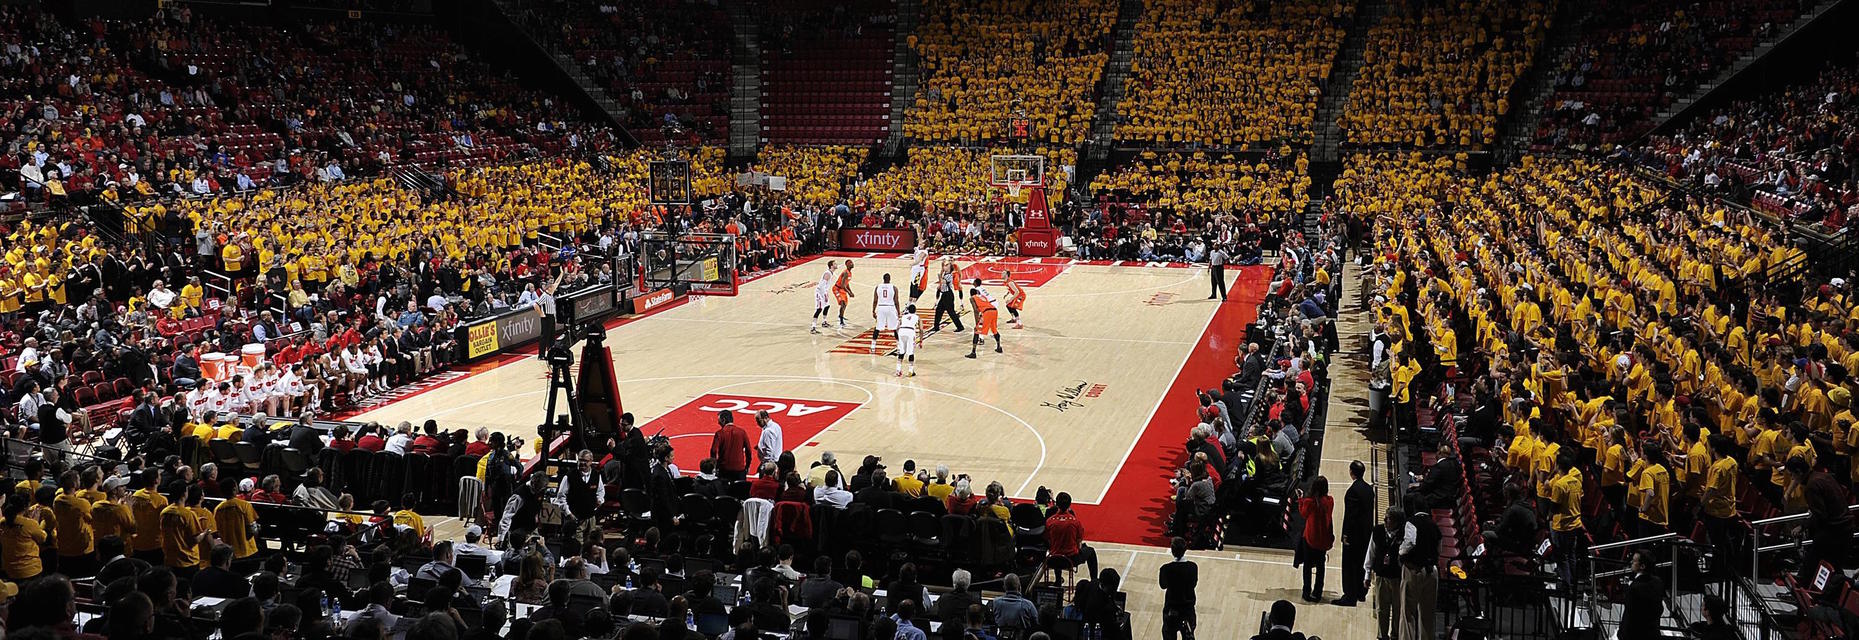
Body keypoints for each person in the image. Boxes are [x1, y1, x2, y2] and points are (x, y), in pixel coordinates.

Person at [1791, 456, 1852, 584]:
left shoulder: (1811, 486)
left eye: (1792, 474)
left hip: (1834, 529)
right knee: (1833, 565)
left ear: (1799, 472)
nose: (1792, 479)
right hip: (1846, 527)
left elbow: (1820, 515)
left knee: (1812, 560)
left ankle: (1802, 587)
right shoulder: (1825, 476)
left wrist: (1802, 527)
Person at [1337, 461, 1375, 606]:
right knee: (1361, 564)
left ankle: (1349, 596)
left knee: (1350, 566)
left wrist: (1346, 534)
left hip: (1354, 535)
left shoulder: (1353, 491)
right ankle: (1361, 592)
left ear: (1351, 472)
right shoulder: (1369, 489)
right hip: (1366, 534)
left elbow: (1351, 516)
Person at [1399, 508, 1440, 640]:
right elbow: (1439, 549)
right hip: (1432, 571)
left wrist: (1400, 552)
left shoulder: (1412, 522)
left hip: (1414, 570)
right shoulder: (1434, 525)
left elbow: (1410, 542)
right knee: (1428, 615)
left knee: (1408, 613)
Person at [1364, 508, 1403, 640]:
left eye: (1389, 518)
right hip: (1381, 576)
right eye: (1385, 517)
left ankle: (1395, 636)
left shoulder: (1403, 534)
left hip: (1398, 579)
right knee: (1381, 609)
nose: (1385, 520)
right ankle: (1382, 636)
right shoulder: (1378, 530)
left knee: (1397, 610)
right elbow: (1371, 552)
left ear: (1397, 522)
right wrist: (1367, 574)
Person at [1294, 476, 1334, 603]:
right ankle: (1318, 593)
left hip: (1311, 538)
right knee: (1321, 566)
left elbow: (1303, 514)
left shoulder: (1310, 502)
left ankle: (1306, 592)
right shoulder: (1330, 501)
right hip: (1323, 539)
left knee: (1307, 566)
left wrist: (1300, 498)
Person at [1618, 549, 1664, 639]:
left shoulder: (1634, 588)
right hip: (1652, 633)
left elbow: (1629, 615)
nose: (1631, 562)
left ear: (1642, 566)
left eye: (1634, 561)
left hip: (1634, 634)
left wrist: (1622, 634)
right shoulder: (1658, 582)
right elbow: (1659, 609)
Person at [1158, 537, 1198, 640]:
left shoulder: (1166, 569)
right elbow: (1193, 584)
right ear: (1185, 550)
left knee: (1169, 635)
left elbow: (1163, 585)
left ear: (1172, 550)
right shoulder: (1193, 567)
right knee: (1188, 636)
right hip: (1188, 610)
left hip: (1172, 611)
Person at [710, 411, 752, 482]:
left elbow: (713, 451)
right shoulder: (742, 432)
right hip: (739, 469)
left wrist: (715, 466)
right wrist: (747, 465)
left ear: (723, 420)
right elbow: (748, 451)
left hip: (724, 469)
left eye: (719, 420)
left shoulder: (720, 433)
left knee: (723, 491)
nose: (718, 422)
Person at [966, 278, 1003, 359]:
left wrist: (977, 323)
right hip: (994, 310)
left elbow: (976, 310)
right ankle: (999, 347)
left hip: (987, 312)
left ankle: (973, 352)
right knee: (994, 329)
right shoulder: (983, 297)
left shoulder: (972, 298)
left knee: (976, 331)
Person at [872, 272, 900, 351]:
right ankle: (898, 345)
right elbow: (896, 301)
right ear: (889, 279)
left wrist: (873, 311)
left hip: (881, 307)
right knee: (895, 327)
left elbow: (875, 301)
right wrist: (898, 312)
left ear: (883, 279)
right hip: (890, 307)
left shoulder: (878, 287)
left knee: (877, 327)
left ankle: (873, 345)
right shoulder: (894, 288)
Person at [811, 260, 837, 334]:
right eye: (835, 264)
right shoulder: (827, 274)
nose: (836, 265)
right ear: (831, 266)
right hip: (820, 292)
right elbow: (822, 285)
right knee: (819, 309)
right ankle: (813, 327)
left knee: (827, 306)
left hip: (824, 292)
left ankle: (824, 322)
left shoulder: (831, 273)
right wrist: (824, 294)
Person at [896, 304, 921, 377]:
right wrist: (921, 340)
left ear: (908, 310)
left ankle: (898, 370)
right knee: (910, 352)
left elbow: (897, 328)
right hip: (910, 332)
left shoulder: (903, 317)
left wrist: (898, 338)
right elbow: (921, 330)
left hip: (901, 331)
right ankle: (910, 370)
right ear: (915, 311)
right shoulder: (917, 317)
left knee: (901, 351)